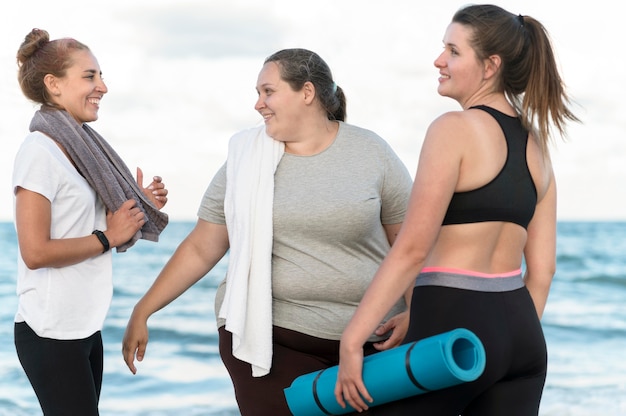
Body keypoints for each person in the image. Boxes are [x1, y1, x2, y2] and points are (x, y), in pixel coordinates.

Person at [122, 48, 414, 415]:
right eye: (258, 94)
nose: (258, 104)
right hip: (272, 340)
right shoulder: (246, 158)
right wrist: (143, 310)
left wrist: (417, 311)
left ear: (306, 93)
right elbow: (202, 247)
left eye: (268, 92)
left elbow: (411, 244)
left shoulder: (372, 152)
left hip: (376, 340)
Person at [335, 4, 580, 416]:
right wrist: (503, 340)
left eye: (453, 50)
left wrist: (352, 340)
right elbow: (542, 271)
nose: (439, 60)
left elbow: (412, 248)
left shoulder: (453, 129)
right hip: (522, 340)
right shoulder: (539, 147)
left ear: (490, 66)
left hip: (454, 329)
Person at [12, 28, 169, 416]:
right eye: (90, 76)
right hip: (50, 332)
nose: (102, 86)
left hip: (84, 326)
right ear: (54, 85)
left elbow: (80, 219)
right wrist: (107, 236)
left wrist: (137, 206)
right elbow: (34, 252)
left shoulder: (78, 149)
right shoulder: (40, 151)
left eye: (100, 76)